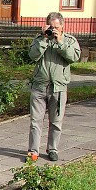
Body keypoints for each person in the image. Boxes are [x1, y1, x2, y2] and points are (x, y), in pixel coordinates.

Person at [27, 12, 81, 162]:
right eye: (51, 26)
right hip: (39, 86)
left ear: (62, 26)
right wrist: (44, 39)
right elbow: (33, 56)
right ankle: (33, 151)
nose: (54, 29)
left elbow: (74, 57)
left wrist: (60, 42)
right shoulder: (40, 39)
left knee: (56, 121)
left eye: (57, 27)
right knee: (35, 121)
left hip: (58, 87)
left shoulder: (69, 40)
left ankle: (52, 149)